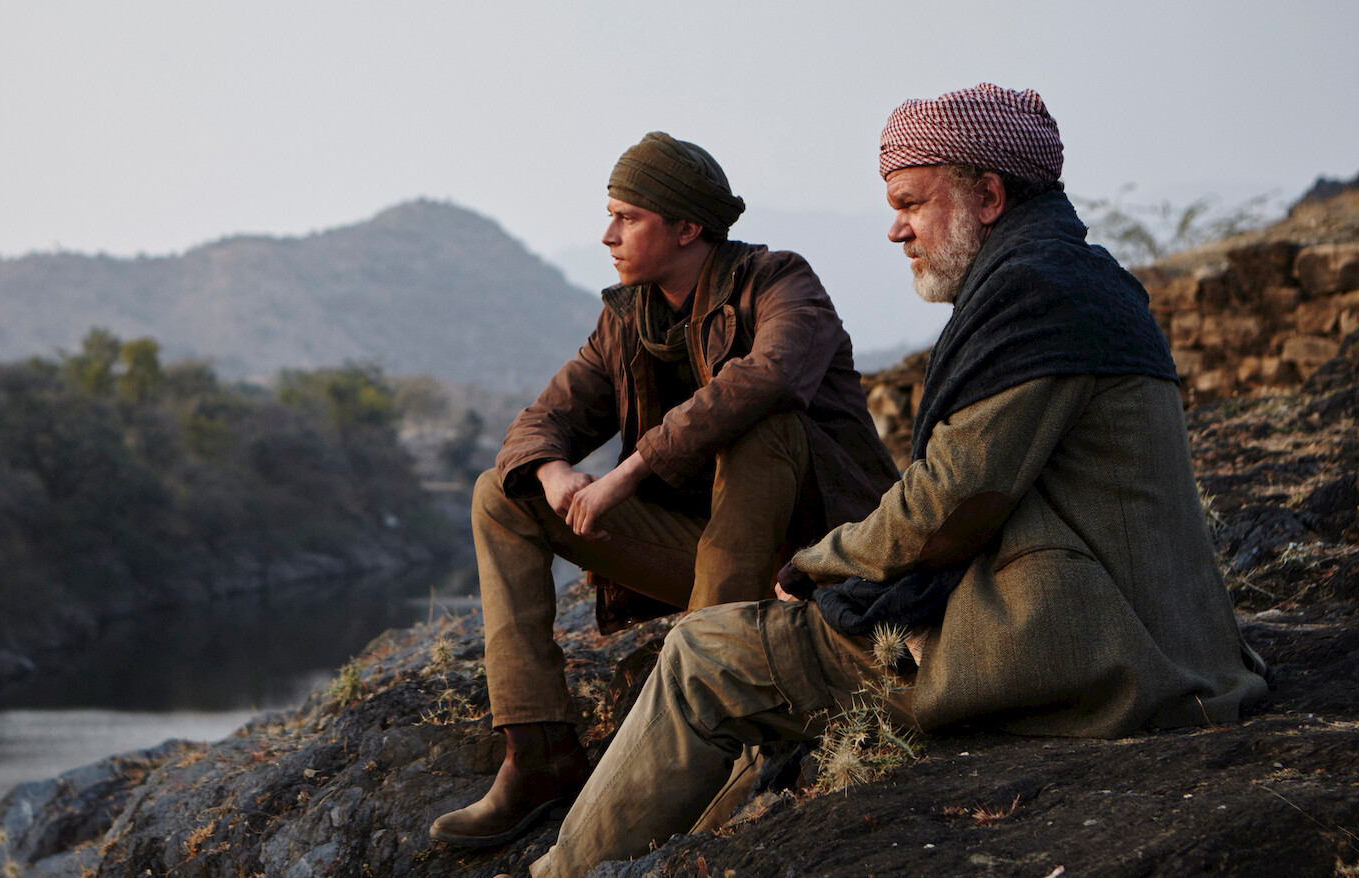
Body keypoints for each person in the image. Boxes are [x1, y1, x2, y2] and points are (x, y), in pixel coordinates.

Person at [512, 84, 1271, 878]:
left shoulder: (1034, 294)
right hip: (1149, 633)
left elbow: (946, 506)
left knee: (705, 656)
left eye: (911, 203)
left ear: (988, 197)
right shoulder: (1079, 278)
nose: (895, 228)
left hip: (1086, 651)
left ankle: (556, 874)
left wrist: (814, 567)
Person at [429, 132, 898, 848]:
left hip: (816, 563)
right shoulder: (628, 318)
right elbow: (541, 422)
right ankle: (539, 754)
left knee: (762, 426)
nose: (608, 235)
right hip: (709, 557)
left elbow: (769, 375)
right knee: (503, 494)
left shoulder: (780, 281)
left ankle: (707, 709)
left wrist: (628, 472)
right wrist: (555, 472)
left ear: (686, 227)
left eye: (628, 217)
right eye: (609, 215)